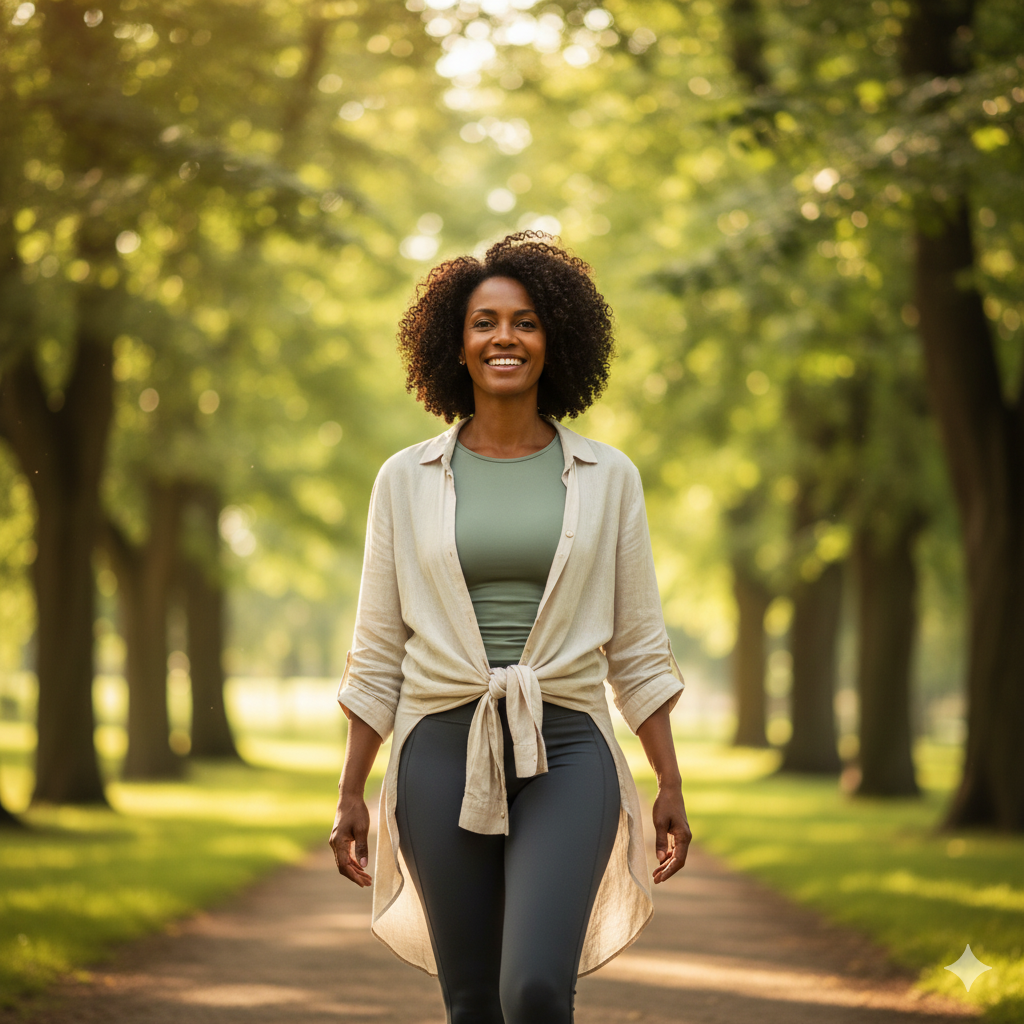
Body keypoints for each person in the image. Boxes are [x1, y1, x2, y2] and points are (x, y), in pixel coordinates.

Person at [330, 232, 691, 1024]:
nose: (504, 338)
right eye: (485, 322)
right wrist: (351, 790)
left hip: (568, 747)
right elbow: (378, 648)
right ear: (454, 345)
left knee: (531, 989)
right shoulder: (404, 480)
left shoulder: (608, 477)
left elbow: (636, 645)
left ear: (553, 338)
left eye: (525, 322)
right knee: (471, 999)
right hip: (438, 747)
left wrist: (668, 780)